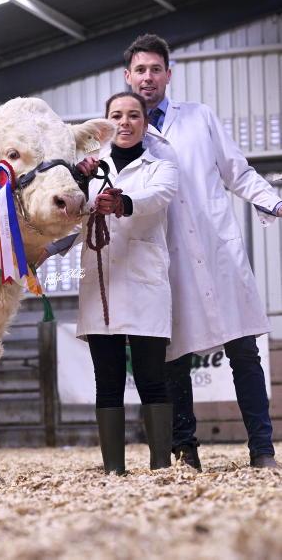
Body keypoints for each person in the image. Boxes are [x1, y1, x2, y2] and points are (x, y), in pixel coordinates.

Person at [123, 34, 282, 470]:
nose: (148, 77)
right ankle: (186, 452)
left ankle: (262, 451)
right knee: (174, 360)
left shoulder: (199, 117)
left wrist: (274, 202)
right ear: (128, 76)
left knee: (244, 352)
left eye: (156, 69)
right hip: (165, 260)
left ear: (168, 75)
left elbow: (237, 172)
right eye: (141, 70)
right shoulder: (124, 130)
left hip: (217, 250)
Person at [75, 91, 178, 475]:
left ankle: (161, 467)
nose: (125, 122)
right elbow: (69, 213)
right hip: (101, 283)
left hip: (144, 284)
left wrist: (122, 202)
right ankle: (114, 470)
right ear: (106, 123)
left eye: (134, 115)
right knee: (108, 381)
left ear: (145, 123)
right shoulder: (87, 170)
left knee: (152, 379)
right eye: (116, 115)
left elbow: (156, 197)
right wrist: (77, 178)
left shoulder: (162, 167)